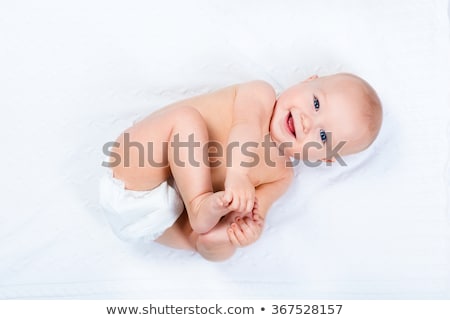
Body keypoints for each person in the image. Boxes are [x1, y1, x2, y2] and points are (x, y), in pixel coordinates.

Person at [99, 73, 382, 261]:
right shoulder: (261, 94)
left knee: (221, 240)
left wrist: (246, 228)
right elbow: (244, 126)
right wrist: (237, 174)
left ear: (325, 157)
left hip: (161, 227)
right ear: (307, 80)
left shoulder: (282, 176)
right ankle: (199, 204)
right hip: (136, 169)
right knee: (185, 120)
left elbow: (254, 210)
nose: (309, 121)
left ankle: (205, 226)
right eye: (316, 102)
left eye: (322, 137)